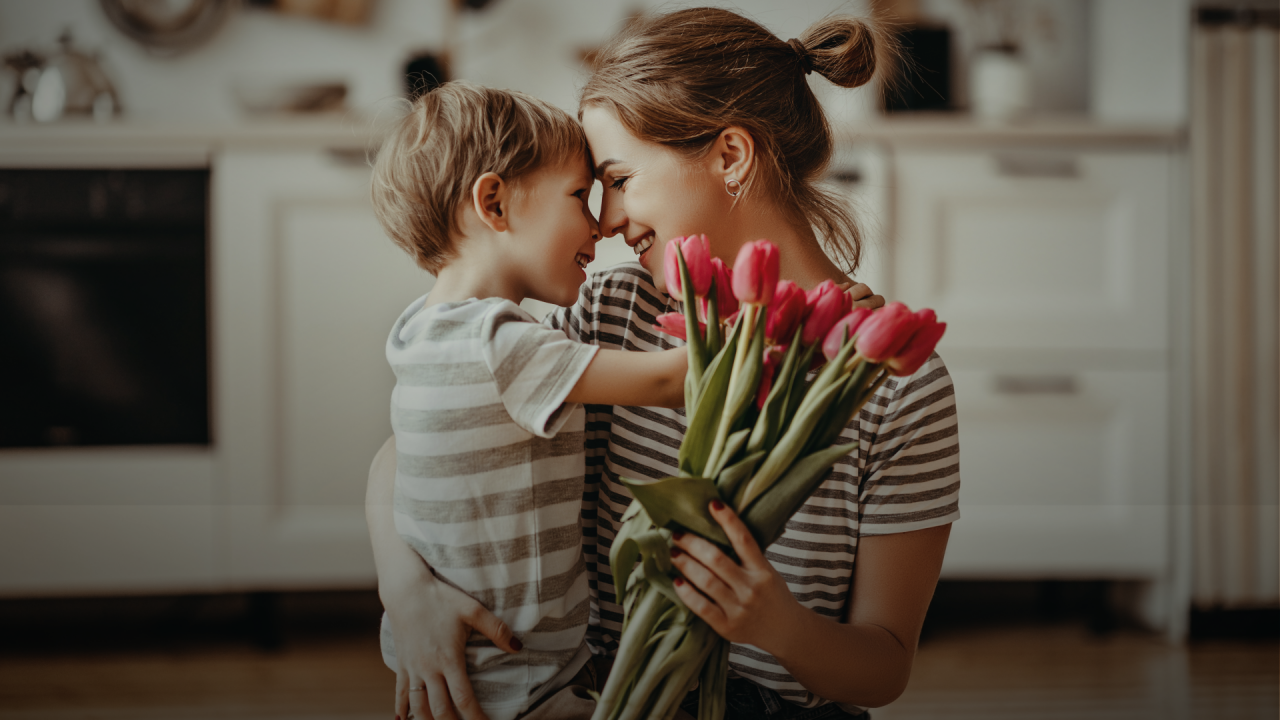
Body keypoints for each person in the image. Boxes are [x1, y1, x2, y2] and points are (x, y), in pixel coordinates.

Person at [368, 9, 960, 720]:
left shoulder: (896, 383)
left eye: (618, 178)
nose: (607, 220)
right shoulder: (612, 315)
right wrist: (409, 595)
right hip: (596, 698)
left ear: (731, 157)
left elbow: (883, 667)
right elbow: (413, 448)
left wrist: (775, 624)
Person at [368, 80, 687, 720]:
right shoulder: (500, 344)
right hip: (519, 682)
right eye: (579, 196)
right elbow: (661, 380)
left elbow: (397, 457)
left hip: (467, 669)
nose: (600, 225)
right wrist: (784, 320)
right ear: (494, 202)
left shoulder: (419, 330)